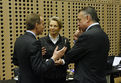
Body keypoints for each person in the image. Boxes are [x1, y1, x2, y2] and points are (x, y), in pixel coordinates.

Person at [12, 13, 67, 83]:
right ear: (37, 25)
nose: (44, 27)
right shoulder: (34, 43)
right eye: (43, 24)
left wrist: (37, 56)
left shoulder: (19, 39)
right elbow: (39, 70)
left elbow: (15, 61)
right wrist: (53, 58)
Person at [65, 6, 110, 83]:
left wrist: (76, 41)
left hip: (86, 80)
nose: (78, 23)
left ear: (87, 18)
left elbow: (70, 57)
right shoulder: (104, 35)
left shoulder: (86, 36)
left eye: (79, 20)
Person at [39, 16, 71, 83]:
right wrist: (50, 61)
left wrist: (62, 61)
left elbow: (70, 57)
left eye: (55, 26)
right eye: (50, 25)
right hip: (46, 76)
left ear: (60, 28)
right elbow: (38, 59)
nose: (52, 28)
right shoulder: (41, 41)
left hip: (61, 76)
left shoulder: (65, 41)